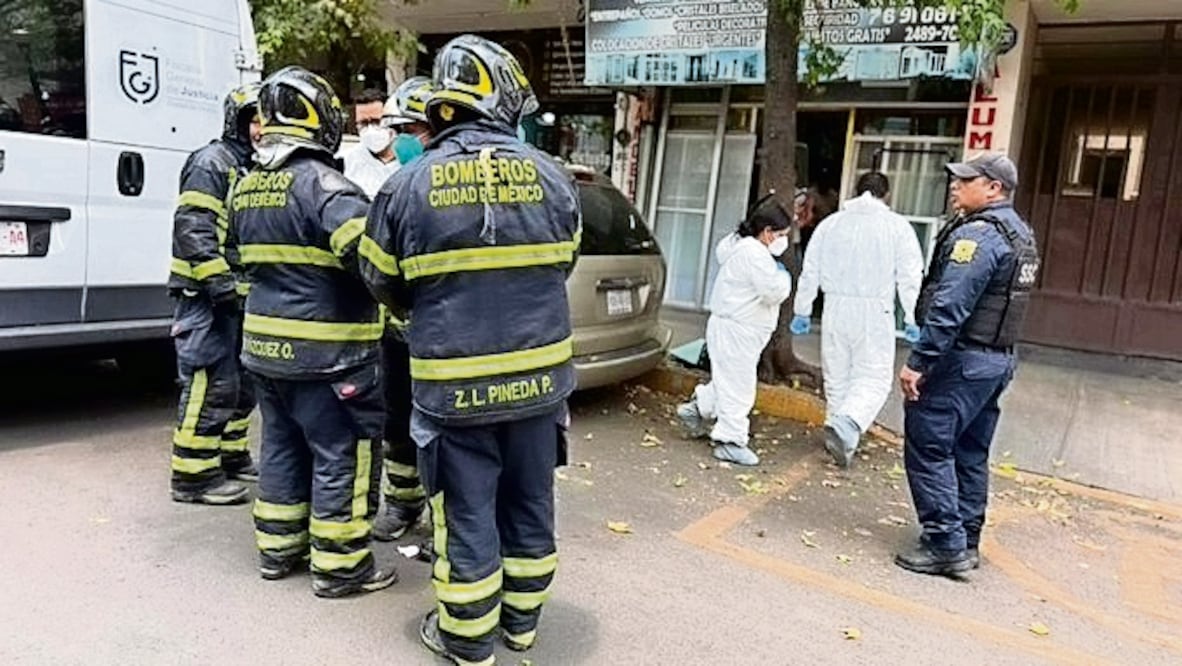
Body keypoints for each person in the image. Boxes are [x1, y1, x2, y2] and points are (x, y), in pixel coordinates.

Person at [361, 35, 580, 666]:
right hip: (540, 389)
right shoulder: (554, 179)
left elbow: (380, 281)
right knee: (531, 504)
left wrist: (429, 313)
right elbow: (561, 263)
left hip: (451, 391)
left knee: (465, 514)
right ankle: (521, 628)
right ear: (503, 98)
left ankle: (465, 639)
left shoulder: (405, 186)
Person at [231, 66, 396, 598]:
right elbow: (373, 260)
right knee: (341, 455)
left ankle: (278, 551)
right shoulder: (325, 186)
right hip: (330, 356)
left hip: (264, 351)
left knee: (281, 448)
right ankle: (342, 566)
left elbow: (236, 260)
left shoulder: (247, 188)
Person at [895, 154, 1039, 577]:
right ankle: (966, 537)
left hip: (961, 361)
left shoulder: (979, 237)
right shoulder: (1019, 232)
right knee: (970, 451)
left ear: (993, 188)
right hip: (996, 362)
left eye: (966, 180)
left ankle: (944, 542)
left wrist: (919, 362)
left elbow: (950, 305)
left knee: (929, 444)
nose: (955, 186)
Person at [789, 172, 924, 468]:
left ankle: (839, 433)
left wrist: (802, 309)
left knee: (837, 375)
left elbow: (810, 270)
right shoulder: (897, 228)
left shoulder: (831, 225)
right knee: (873, 377)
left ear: (855, 190)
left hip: (835, 308)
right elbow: (910, 277)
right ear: (885, 195)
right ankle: (849, 424)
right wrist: (914, 316)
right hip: (875, 311)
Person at [167, 82, 261, 505]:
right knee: (210, 382)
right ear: (237, 122)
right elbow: (193, 226)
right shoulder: (213, 162)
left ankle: (231, 455)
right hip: (206, 296)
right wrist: (218, 282)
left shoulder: (249, 166)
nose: (262, 128)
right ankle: (193, 476)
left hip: (236, 294)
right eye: (255, 120)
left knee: (242, 386)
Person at [676, 195, 793, 467]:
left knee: (729, 379)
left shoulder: (739, 246)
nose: (783, 241)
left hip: (733, 328)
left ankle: (696, 409)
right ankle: (730, 441)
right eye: (781, 235)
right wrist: (784, 278)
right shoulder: (754, 253)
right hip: (738, 329)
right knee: (739, 387)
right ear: (766, 232)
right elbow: (773, 291)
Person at [370, 76, 438, 542]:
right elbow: (377, 266)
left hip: (445, 337)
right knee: (397, 423)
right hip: (397, 334)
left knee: (443, 432)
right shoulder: (395, 185)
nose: (399, 140)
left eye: (408, 129)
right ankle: (403, 502)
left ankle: (443, 518)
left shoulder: (452, 186)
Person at [343, 88, 399, 198]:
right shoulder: (348, 161)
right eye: (363, 123)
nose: (370, 129)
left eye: (376, 121)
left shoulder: (409, 157)